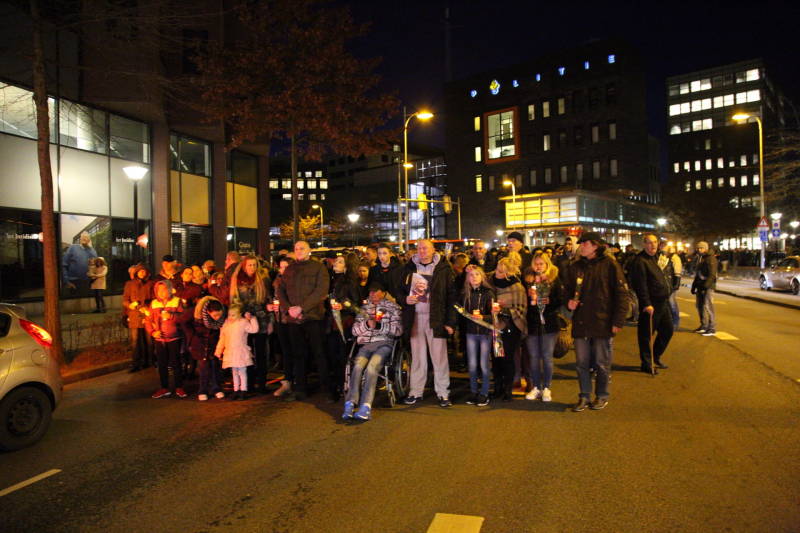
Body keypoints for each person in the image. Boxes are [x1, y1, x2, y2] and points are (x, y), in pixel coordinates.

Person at [563, 232, 628, 412]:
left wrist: (618, 320)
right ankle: (584, 396)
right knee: (581, 363)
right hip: (581, 321)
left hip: (602, 321)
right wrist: (568, 302)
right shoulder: (575, 267)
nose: (581, 247)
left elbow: (622, 295)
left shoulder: (610, 265)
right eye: (580, 244)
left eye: (585, 244)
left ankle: (601, 395)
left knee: (602, 362)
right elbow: (566, 290)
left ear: (595, 246)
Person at [399, 239, 457, 407]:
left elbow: (451, 297)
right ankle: (416, 391)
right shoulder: (409, 267)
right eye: (419, 248)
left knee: (439, 357)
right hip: (415, 318)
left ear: (433, 250)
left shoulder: (443, 268)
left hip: (436, 318)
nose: (422, 251)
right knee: (417, 358)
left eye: (425, 248)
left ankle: (443, 392)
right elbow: (400, 291)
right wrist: (405, 299)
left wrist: (450, 322)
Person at [276, 241, 333, 402]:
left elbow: (321, 291)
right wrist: (288, 308)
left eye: (302, 248)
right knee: (298, 354)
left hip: (313, 317)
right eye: (296, 249)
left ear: (309, 250)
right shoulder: (289, 269)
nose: (299, 251)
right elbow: (280, 290)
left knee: (319, 353)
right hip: (294, 319)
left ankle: (327, 390)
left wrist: (301, 308)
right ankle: (300, 389)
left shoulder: (318, 268)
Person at [342, 282, 403, 420]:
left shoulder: (393, 308)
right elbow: (355, 331)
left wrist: (379, 326)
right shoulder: (363, 309)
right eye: (370, 292)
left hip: (384, 343)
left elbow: (398, 330)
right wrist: (366, 325)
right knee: (357, 366)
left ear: (383, 292)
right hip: (366, 344)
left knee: (371, 367)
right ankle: (350, 402)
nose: (372, 294)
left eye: (375, 291)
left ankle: (366, 405)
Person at [629, 235, 674, 374]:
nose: (653, 245)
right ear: (643, 244)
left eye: (655, 242)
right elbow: (640, 284)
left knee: (667, 330)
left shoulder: (656, 259)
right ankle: (647, 363)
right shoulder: (640, 261)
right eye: (649, 243)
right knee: (646, 334)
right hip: (651, 303)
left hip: (662, 302)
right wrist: (646, 303)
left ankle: (655, 355)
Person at [230, 255, 274, 395]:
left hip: (261, 319)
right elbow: (234, 300)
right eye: (250, 265)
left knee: (261, 353)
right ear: (244, 266)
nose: (252, 268)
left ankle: (262, 384)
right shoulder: (237, 281)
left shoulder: (263, 280)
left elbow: (269, 301)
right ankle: (247, 384)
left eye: (254, 265)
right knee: (246, 353)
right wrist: (239, 316)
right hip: (244, 320)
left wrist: (271, 321)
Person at [523, 254, 564, 402]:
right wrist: (528, 296)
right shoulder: (527, 279)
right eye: (536, 264)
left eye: (541, 263)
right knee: (533, 358)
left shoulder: (553, 279)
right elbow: (522, 301)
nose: (538, 266)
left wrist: (550, 300)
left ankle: (546, 387)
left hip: (549, 322)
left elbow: (561, 298)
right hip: (532, 322)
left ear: (547, 265)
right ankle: (536, 387)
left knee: (546, 357)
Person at [489, 257, 527, 402]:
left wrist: (503, 311)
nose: (496, 273)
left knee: (507, 358)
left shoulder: (517, 287)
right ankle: (497, 388)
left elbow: (521, 309)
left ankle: (507, 389)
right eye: (497, 269)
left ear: (508, 274)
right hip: (494, 325)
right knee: (496, 358)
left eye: (500, 271)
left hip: (511, 327)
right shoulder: (491, 281)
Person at [147, 280, 190, 399]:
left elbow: (185, 316)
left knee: (176, 363)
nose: (161, 292)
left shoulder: (177, 301)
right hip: (160, 339)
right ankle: (164, 387)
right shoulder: (154, 303)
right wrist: (153, 332)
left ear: (169, 289)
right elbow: (147, 320)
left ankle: (179, 387)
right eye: (159, 290)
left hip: (175, 337)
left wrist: (171, 315)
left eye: (164, 289)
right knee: (161, 364)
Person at [327, 253, 362, 401]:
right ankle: (337, 383)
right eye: (336, 261)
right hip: (331, 323)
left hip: (344, 322)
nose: (336, 263)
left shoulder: (350, 282)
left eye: (340, 262)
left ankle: (346, 384)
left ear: (346, 267)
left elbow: (357, 304)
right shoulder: (329, 280)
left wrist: (344, 307)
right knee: (332, 354)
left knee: (344, 355)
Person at [459, 265, 495, 406]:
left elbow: (494, 314)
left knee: (484, 364)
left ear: (482, 277)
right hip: (471, 333)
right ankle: (474, 391)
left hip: (485, 332)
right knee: (472, 365)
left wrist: (483, 317)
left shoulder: (488, 293)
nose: (474, 277)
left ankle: (484, 393)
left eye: (477, 274)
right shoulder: (464, 294)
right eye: (471, 275)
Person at [215, 304, 259, 400]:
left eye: (233, 315)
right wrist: (219, 350)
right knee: (234, 372)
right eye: (229, 315)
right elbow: (222, 338)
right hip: (230, 352)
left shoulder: (243, 323)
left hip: (240, 351)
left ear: (239, 314)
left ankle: (243, 390)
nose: (230, 317)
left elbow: (254, 329)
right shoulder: (226, 324)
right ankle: (236, 390)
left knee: (242, 371)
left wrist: (252, 318)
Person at [189, 296, 226, 400]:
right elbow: (184, 321)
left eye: (220, 315)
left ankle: (217, 389)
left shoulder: (224, 311)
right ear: (209, 313)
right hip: (201, 342)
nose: (218, 317)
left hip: (214, 341)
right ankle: (203, 390)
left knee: (215, 365)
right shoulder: (197, 312)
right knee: (204, 367)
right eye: (215, 315)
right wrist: (192, 334)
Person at [268, 257, 295, 397]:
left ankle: (295, 379)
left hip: (292, 319)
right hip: (280, 320)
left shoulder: (295, 281)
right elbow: (274, 298)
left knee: (295, 350)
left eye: (286, 267)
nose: (283, 269)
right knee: (285, 350)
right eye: (281, 267)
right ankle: (288, 379)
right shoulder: (276, 282)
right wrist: (271, 306)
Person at [123, 263, 154, 373]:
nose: (142, 273)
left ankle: (150, 361)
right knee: (135, 340)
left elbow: (154, 297)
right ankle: (136, 362)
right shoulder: (129, 284)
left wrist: (147, 308)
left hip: (146, 315)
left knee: (149, 339)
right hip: (134, 315)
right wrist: (129, 305)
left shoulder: (151, 283)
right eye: (140, 271)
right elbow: (125, 298)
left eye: (144, 271)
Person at [691, 241, 717, 336]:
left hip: (708, 287)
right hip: (700, 285)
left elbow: (712, 275)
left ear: (706, 248)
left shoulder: (710, 259)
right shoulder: (701, 258)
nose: (699, 250)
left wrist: (706, 286)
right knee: (699, 306)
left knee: (708, 306)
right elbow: (698, 274)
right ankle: (704, 325)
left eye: (701, 248)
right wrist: (694, 286)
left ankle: (711, 328)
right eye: (698, 248)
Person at [659, 243, 683, 329]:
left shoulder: (674, 257)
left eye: (664, 245)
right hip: (660, 283)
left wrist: (676, 283)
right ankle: (664, 322)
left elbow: (677, 270)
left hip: (669, 283)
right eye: (661, 245)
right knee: (661, 303)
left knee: (671, 303)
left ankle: (675, 321)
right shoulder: (657, 256)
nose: (662, 246)